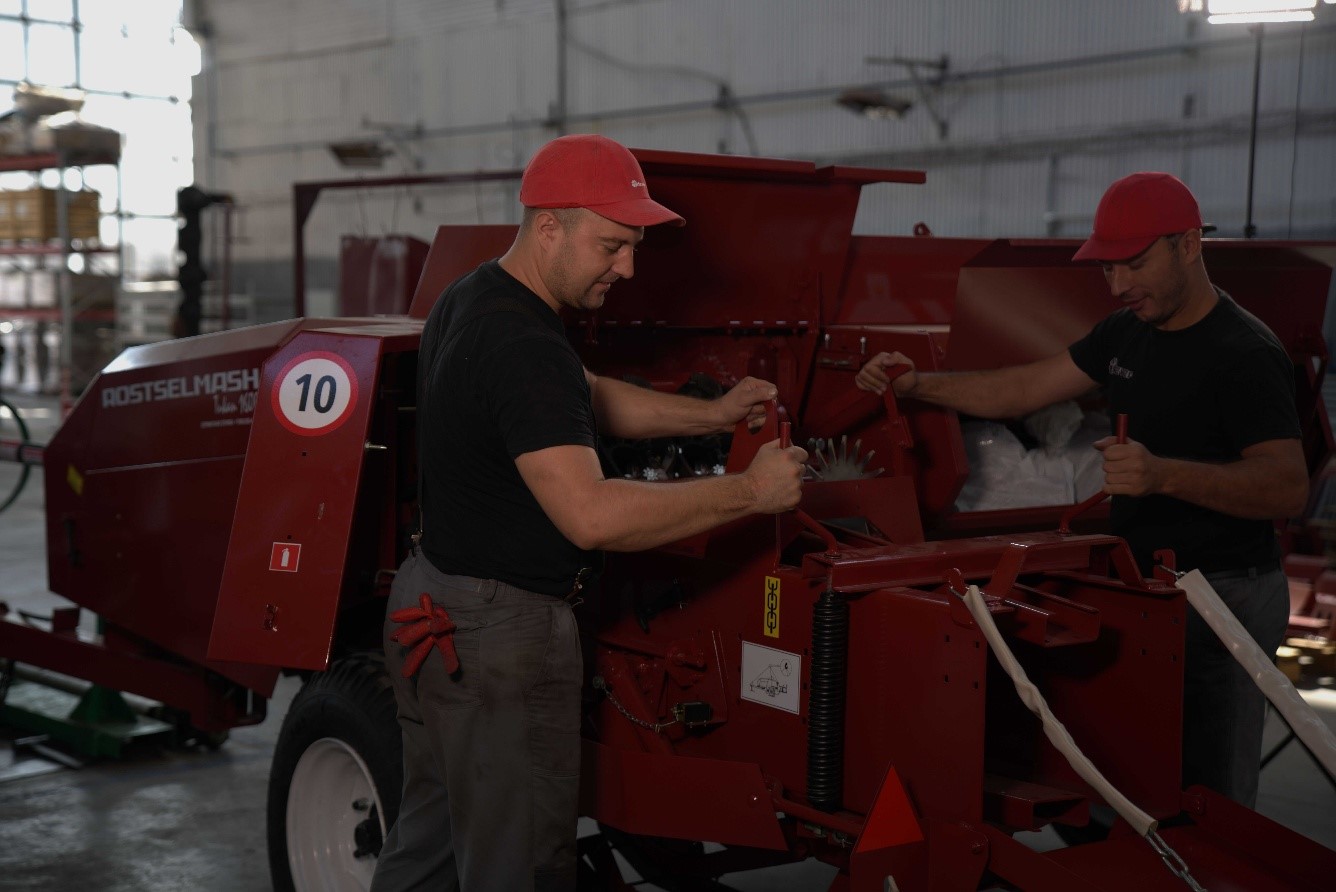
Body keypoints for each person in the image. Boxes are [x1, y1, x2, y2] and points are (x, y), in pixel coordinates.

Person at [371, 134, 808, 892]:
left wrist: (713, 417)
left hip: (433, 603)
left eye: (633, 246)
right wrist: (751, 492)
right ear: (550, 227)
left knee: (430, 852)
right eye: (612, 245)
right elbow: (592, 516)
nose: (628, 268)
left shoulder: (475, 295)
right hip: (502, 638)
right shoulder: (522, 342)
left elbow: (590, 396)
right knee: (519, 870)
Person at [854, 171, 1308, 810]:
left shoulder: (1244, 351)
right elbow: (1020, 389)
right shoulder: (1127, 333)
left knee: (1213, 800)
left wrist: (1162, 474)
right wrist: (915, 385)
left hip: (1224, 598)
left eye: (1134, 264)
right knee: (1135, 788)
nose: (1120, 285)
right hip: (1146, 589)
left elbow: (1288, 487)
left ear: (1188, 244)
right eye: (1108, 270)